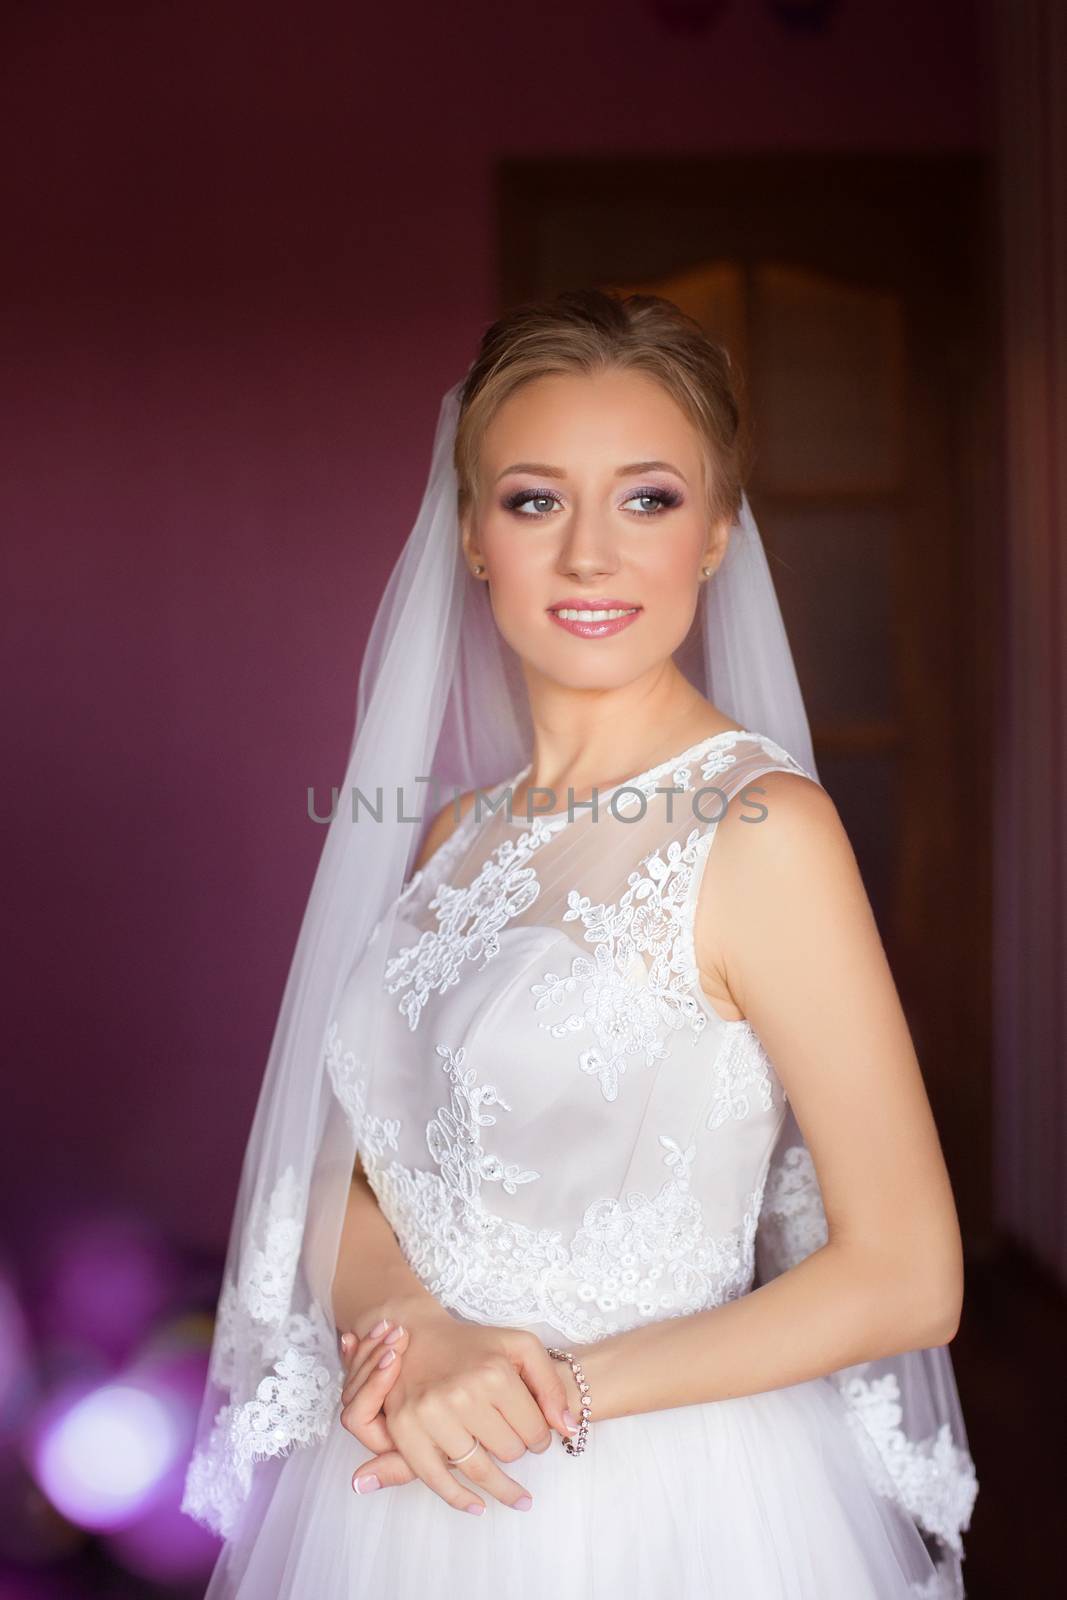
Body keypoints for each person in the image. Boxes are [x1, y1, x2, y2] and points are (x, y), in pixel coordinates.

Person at [181, 289, 978, 1598]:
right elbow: (353, 1175)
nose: (593, 557)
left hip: (655, 1493)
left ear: (718, 533)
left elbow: (907, 1276)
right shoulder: (451, 836)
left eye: (650, 499)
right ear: (473, 536)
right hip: (399, 1476)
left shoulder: (760, 831)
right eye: (537, 500)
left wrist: (540, 1393)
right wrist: (420, 1329)